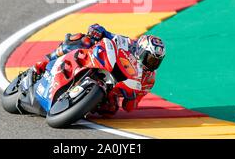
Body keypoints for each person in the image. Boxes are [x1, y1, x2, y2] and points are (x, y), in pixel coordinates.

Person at [32, 24, 166, 116]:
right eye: (149, 58)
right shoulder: (128, 43)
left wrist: (132, 98)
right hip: (99, 63)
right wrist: (97, 30)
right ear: (140, 49)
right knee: (81, 40)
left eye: (156, 61)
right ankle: (44, 62)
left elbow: (130, 107)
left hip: (111, 88)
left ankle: (79, 105)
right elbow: (104, 32)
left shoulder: (149, 79)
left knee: (111, 110)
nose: (152, 64)